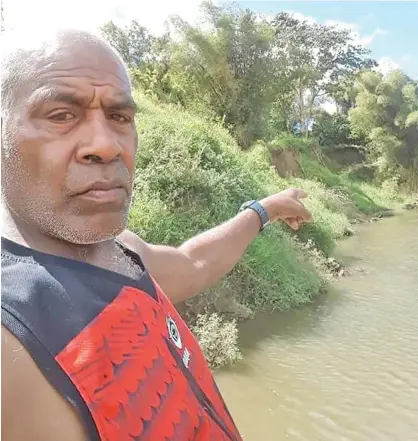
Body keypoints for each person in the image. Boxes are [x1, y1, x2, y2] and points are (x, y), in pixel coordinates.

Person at [1, 29, 312, 441]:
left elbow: (194, 263)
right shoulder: (14, 331)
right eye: (61, 115)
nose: (107, 145)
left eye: (119, 117)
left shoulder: (120, 252)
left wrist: (264, 209)